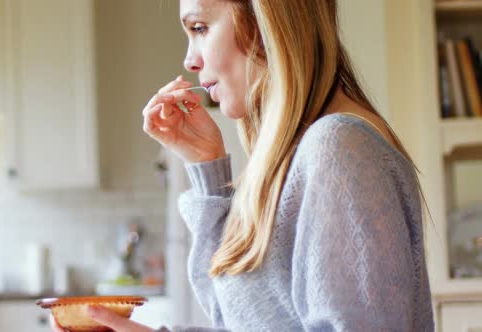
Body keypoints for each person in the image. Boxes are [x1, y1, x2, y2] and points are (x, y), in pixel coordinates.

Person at [51, 0, 435, 331]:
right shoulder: (302, 155)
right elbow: (234, 318)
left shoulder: (340, 148)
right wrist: (207, 167)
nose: (189, 59)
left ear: (266, 19)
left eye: (200, 27)